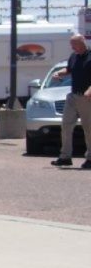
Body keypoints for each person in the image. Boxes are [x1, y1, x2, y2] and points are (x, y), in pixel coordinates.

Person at [51, 33, 91, 169]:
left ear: (82, 42)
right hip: (73, 95)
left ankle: (90, 158)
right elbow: (69, 69)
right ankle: (65, 157)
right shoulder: (74, 56)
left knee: (88, 128)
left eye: (75, 44)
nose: (72, 47)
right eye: (71, 45)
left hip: (87, 98)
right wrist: (59, 73)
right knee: (66, 125)